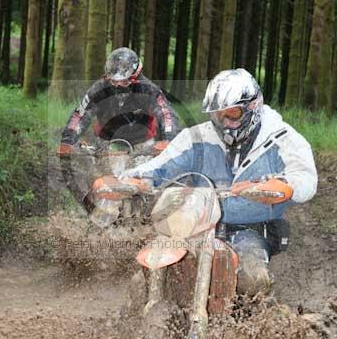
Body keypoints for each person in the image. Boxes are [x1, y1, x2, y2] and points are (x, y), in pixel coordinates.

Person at [120, 68, 318, 296]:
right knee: (143, 277)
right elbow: (162, 165)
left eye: (232, 114)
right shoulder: (196, 137)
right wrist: (132, 179)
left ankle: (253, 326)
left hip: (250, 229)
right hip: (194, 223)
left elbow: (305, 179)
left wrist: (283, 185)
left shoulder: (282, 138)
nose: (224, 122)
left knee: (252, 280)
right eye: (217, 115)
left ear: (253, 107)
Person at [56, 47, 180, 158]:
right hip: (106, 142)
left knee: (146, 175)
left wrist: (169, 139)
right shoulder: (99, 89)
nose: (118, 85)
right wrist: (68, 140)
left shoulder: (148, 89)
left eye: (124, 81)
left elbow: (166, 113)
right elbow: (80, 115)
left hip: (143, 143)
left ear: (135, 77)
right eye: (114, 82)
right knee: (99, 175)